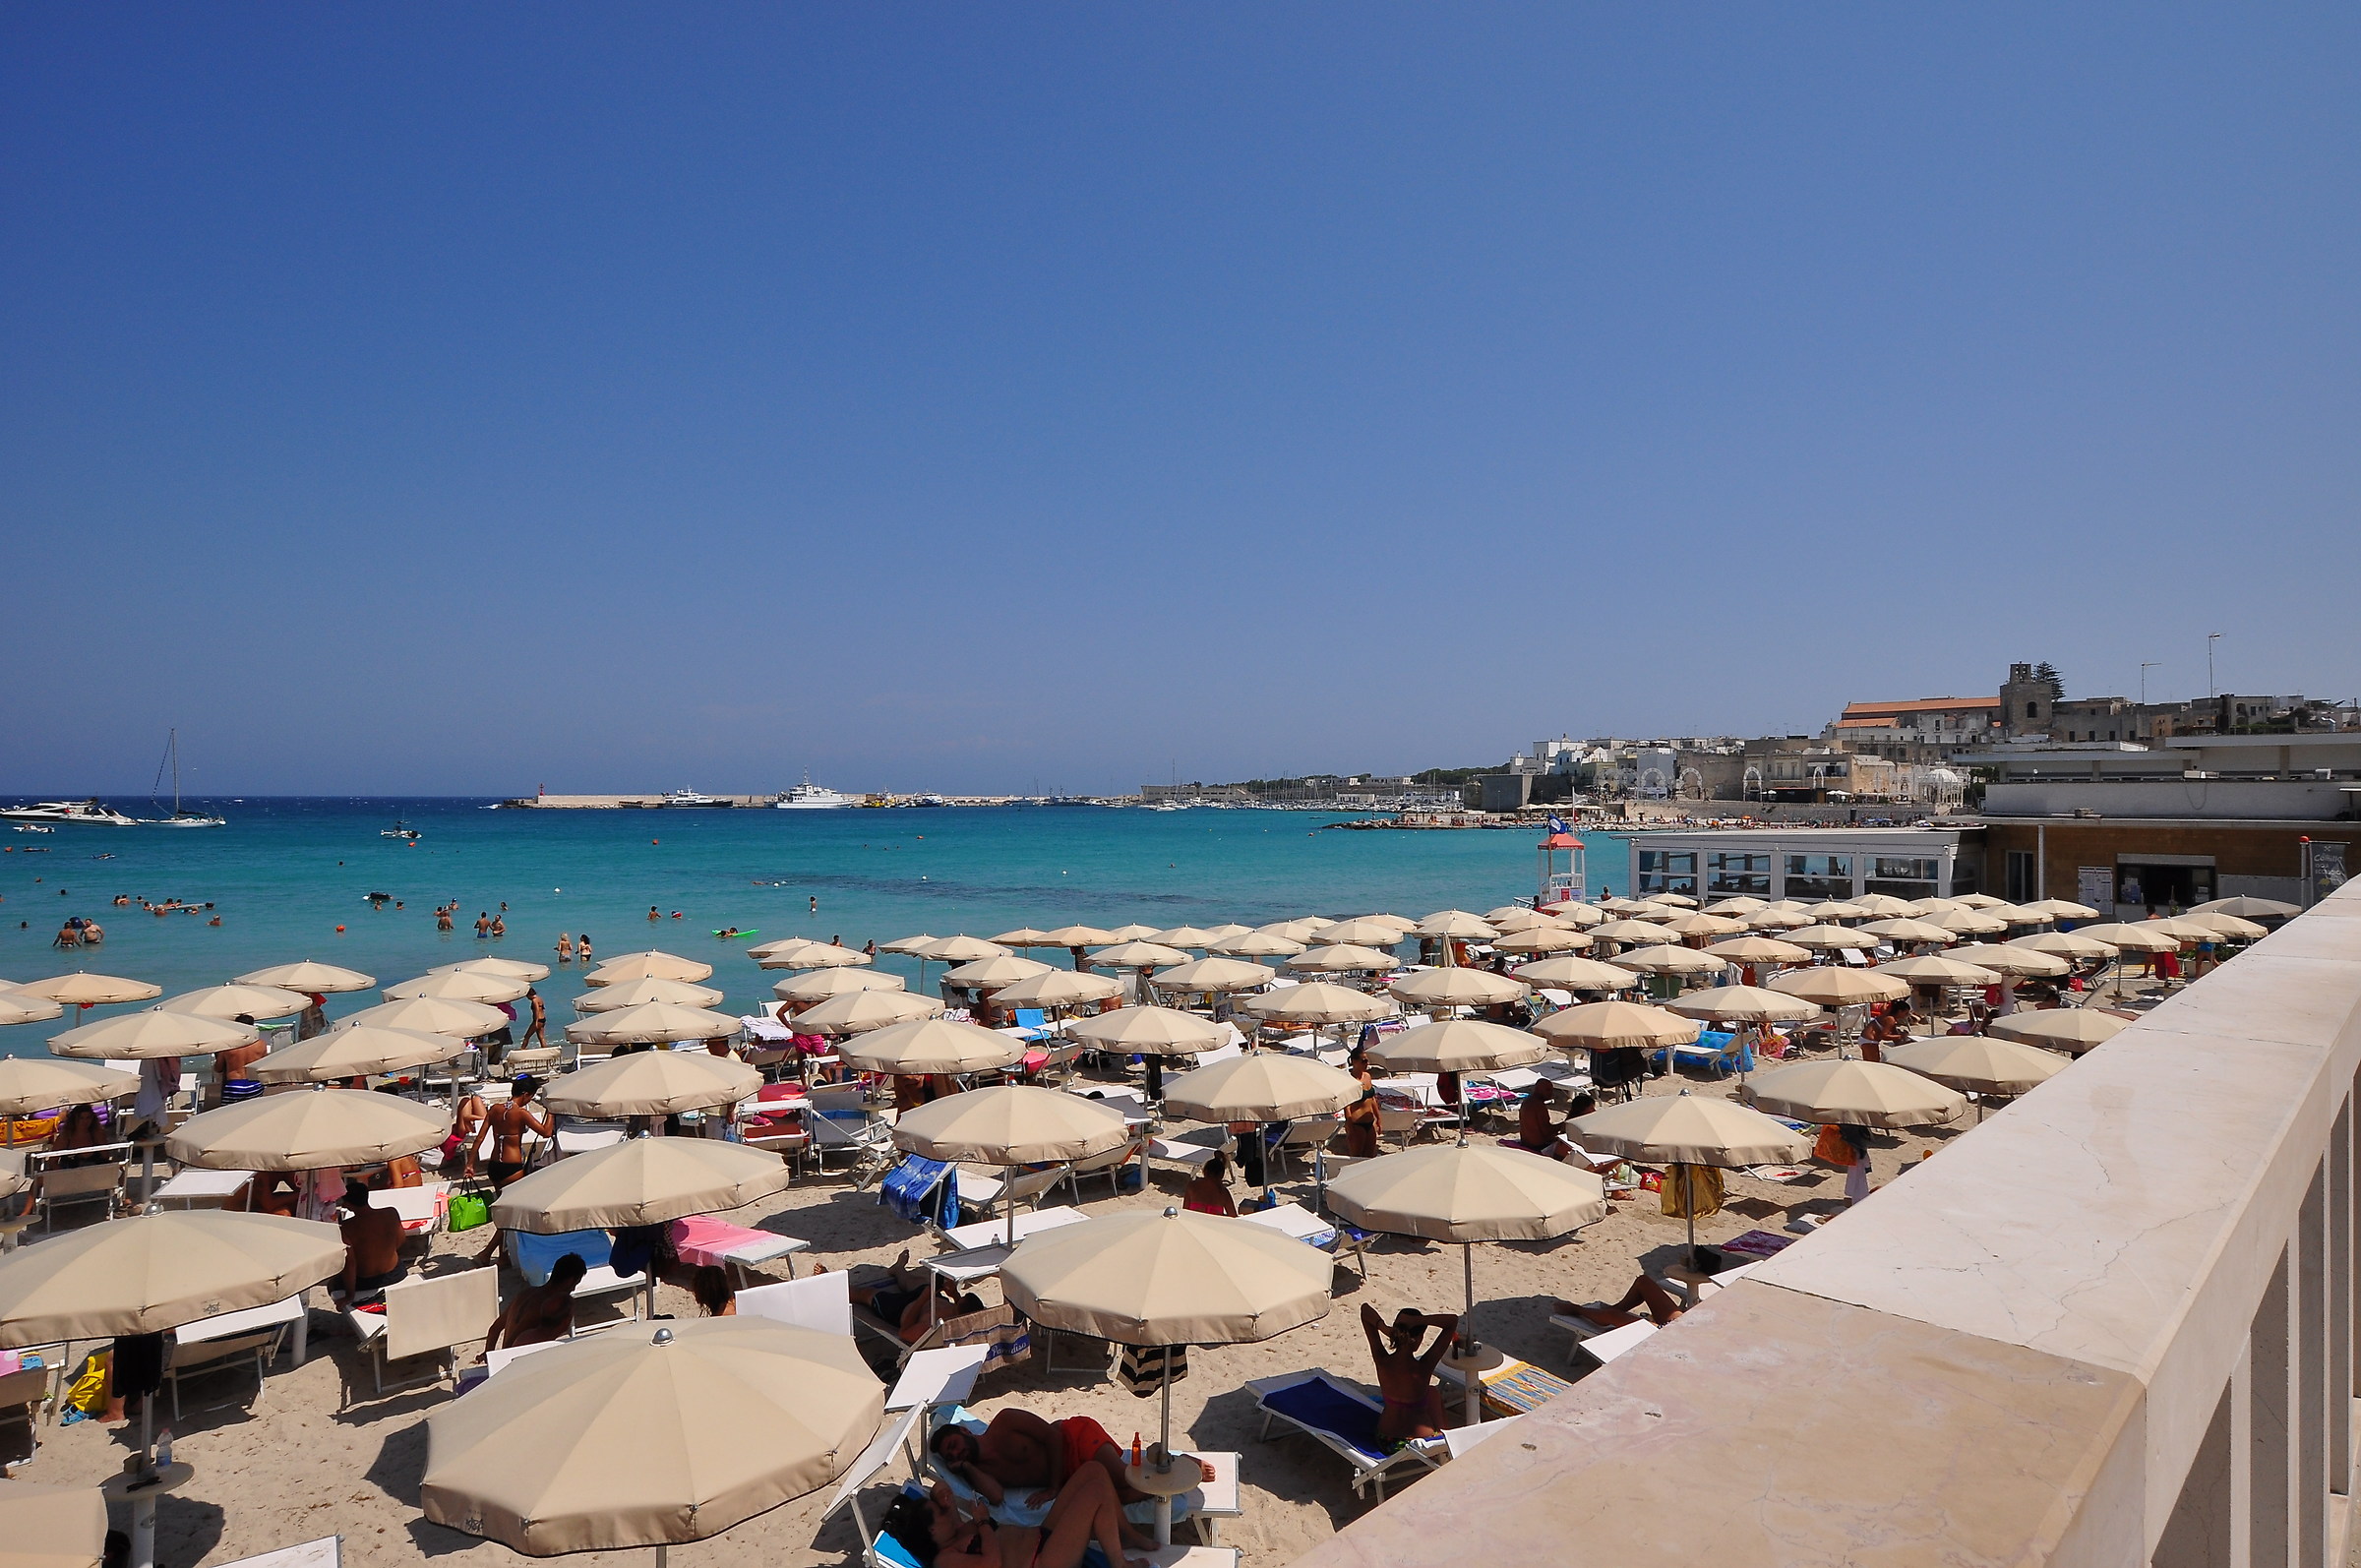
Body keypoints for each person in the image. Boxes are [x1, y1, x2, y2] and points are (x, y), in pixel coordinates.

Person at [931, 1410, 1202, 1538]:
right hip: (1072, 1475)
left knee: (1122, 1477)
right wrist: (965, 1466)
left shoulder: (1004, 1422)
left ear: (965, 1431)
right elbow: (997, 1496)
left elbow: (1053, 1436)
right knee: (1120, 1497)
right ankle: (1167, 1475)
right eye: (950, 1457)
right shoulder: (980, 1471)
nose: (956, 1455)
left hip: (1076, 1440)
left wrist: (1053, 1488)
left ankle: (1175, 1462)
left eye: (954, 1446)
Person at [880, 1469, 1147, 1568]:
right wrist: (984, 1523)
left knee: (1092, 1472)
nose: (945, 1510)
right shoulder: (946, 1559)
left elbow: (941, 1488)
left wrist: (941, 1498)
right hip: (1043, 1562)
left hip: (1041, 1537)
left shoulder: (957, 1529)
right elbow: (992, 1563)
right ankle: (1119, 1565)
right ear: (932, 1532)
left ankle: (1128, 1535)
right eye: (939, 1513)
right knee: (1095, 1492)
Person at [1360, 1303, 1459, 1444]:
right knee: (1432, 1393)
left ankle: (1446, 1436)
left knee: (1429, 1392)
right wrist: (1419, 1321)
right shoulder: (1424, 1366)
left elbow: (1365, 1310)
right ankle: (1446, 1437)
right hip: (1420, 1442)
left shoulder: (1382, 1360)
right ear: (1419, 1338)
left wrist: (1385, 1328)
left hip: (1386, 1440)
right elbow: (1452, 1321)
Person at [843, 1251, 978, 1342]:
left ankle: (831, 1282)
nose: (958, 1301)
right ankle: (899, 1270)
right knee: (915, 1281)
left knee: (865, 1293)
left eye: (958, 1302)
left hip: (900, 1309)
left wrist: (924, 1298)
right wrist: (954, 1294)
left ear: (958, 1313)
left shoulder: (936, 1327)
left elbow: (904, 1332)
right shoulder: (962, 1316)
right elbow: (962, 1306)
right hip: (928, 1298)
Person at [483, 1253, 586, 1354]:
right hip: (515, 1360)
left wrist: (489, 1356)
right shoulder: (547, 1306)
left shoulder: (525, 1294)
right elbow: (516, 1343)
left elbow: (495, 1329)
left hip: (507, 1357)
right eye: (575, 1283)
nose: (573, 1288)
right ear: (570, 1281)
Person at [333, 1177, 407, 1302]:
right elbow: (401, 1240)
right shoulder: (391, 1213)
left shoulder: (346, 1227)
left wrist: (349, 1296)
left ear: (347, 1204)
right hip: (396, 1273)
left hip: (366, 1282)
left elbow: (350, 1265)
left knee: (332, 1284)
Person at [480, 1076, 553, 1192]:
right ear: (525, 1094)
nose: (529, 1100)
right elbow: (546, 1132)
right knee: (515, 1200)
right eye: (530, 1097)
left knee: (499, 1201)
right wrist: (551, 1111)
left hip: (493, 1166)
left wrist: (469, 1165)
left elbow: (479, 1138)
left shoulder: (494, 1109)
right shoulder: (521, 1113)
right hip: (512, 1168)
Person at [1554, 1274, 1685, 1329]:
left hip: (1671, 1338)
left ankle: (1577, 1310)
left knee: (1612, 1316)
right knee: (1643, 1282)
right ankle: (1614, 1311)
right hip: (1684, 1325)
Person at [214, 1014, 268, 1108]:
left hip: (234, 1086)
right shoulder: (261, 1044)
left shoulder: (229, 1046)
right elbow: (263, 1064)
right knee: (253, 1113)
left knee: (229, 1115)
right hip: (254, 1084)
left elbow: (218, 1068)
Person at [1342, 1050, 1380, 1158]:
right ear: (1354, 1061)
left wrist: (1379, 1118)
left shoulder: (1367, 1076)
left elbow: (1372, 1099)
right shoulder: (1349, 1080)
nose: (1366, 1063)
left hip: (1370, 1121)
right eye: (1363, 1061)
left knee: (1370, 1155)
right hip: (1356, 1124)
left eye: (1367, 1061)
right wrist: (1350, 1127)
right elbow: (1347, 1106)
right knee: (1356, 1156)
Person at [1514, 1084, 1568, 1158]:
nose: (1551, 1093)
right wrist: (1563, 1125)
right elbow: (1546, 1131)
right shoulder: (1538, 1105)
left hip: (1526, 1142)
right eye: (1548, 1090)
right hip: (1537, 1145)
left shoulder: (1527, 1101)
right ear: (1538, 1089)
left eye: (1551, 1090)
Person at [1182, 1152, 1238, 1216]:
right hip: (1213, 1225)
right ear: (1221, 1175)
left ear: (1205, 1172)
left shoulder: (1192, 1186)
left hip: (1193, 1224)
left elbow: (1185, 1212)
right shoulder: (1223, 1193)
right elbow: (1233, 1216)